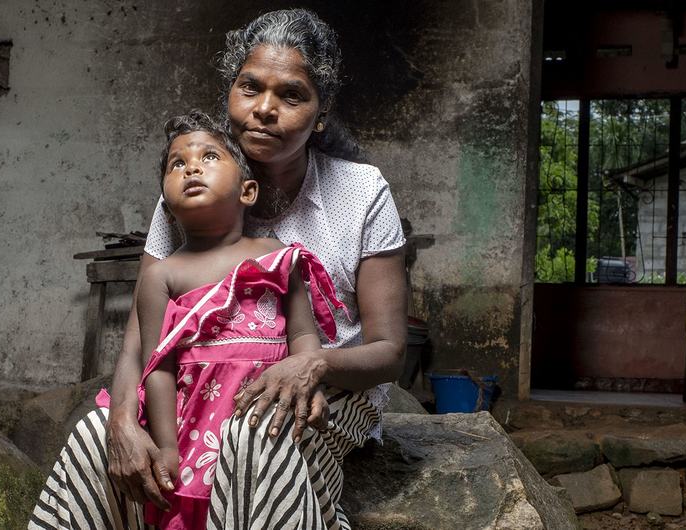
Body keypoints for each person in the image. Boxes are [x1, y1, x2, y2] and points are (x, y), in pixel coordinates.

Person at [30, 9, 407, 530]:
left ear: (320, 114)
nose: (265, 109)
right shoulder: (192, 191)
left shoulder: (361, 192)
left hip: (327, 390)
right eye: (250, 87)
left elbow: (390, 350)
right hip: (195, 385)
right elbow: (143, 339)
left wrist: (312, 364)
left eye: (292, 95)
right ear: (231, 90)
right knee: (96, 436)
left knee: (254, 433)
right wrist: (120, 419)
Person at [117, 110, 347, 528]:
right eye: (177, 164)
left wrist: (310, 385)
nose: (191, 168)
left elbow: (302, 334)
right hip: (193, 426)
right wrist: (168, 447)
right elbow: (157, 367)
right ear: (166, 207)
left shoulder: (276, 255)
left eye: (209, 157)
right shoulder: (161, 276)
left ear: (247, 191)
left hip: (267, 409)